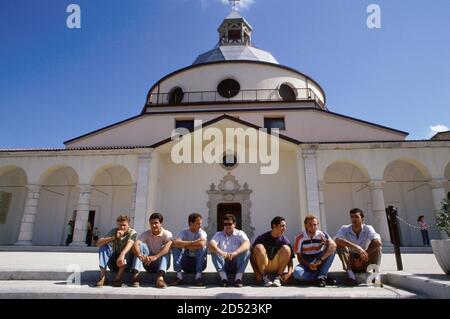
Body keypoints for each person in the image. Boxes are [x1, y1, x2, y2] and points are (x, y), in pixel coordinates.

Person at [334, 208, 382, 286]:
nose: (353, 219)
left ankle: (375, 276)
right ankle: (351, 277)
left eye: (356, 217)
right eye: (352, 217)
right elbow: (337, 240)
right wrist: (357, 248)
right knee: (339, 245)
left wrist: (361, 258)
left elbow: (377, 242)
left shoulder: (368, 228)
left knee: (378, 248)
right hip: (352, 262)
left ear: (362, 219)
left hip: (365, 260)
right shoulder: (345, 228)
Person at [131, 213, 173, 288]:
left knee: (166, 246)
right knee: (140, 245)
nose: (153, 225)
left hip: (161, 264)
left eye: (156, 223)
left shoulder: (167, 234)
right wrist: (140, 255)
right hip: (148, 263)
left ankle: (160, 279)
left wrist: (156, 257)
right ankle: (135, 275)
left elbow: (169, 246)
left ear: (161, 223)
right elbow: (135, 244)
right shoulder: (146, 233)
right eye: (151, 223)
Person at [293, 215, 336, 287]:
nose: (313, 227)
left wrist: (320, 260)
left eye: (315, 225)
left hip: (319, 258)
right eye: (310, 224)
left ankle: (321, 276)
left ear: (317, 225)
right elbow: (300, 259)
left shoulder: (321, 234)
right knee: (297, 273)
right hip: (306, 260)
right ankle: (321, 277)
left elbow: (333, 245)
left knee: (332, 250)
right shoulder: (299, 238)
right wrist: (309, 265)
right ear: (305, 225)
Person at [250, 216, 294, 287]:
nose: (284, 228)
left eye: (285, 226)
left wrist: (289, 273)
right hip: (264, 266)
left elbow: (290, 259)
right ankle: (265, 277)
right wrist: (256, 272)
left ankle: (278, 278)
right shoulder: (262, 238)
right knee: (258, 247)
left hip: (276, 266)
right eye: (282, 226)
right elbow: (251, 257)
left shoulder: (285, 241)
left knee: (286, 248)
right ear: (274, 226)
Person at [209, 214, 251, 287]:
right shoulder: (218, 234)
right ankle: (224, 279)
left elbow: (247, 244)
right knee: (213, 251)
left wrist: (235, 253)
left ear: (234, 224)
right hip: (224, 264)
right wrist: (221, 252)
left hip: (236, 263)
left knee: (247, 252)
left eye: (229, 224)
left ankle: (238, 279)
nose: (227, 226)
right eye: (225, 224)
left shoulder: (240, 233)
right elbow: (211, 244)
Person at [95, 215, 137, 287]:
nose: (122, 227)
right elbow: (98, 243)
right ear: (117, 224)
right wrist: (114, 237)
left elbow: (130, 243)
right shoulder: (114, 231)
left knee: (129, 249)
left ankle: (118, 278)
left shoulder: (132, 232)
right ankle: (102, 277)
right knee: (104, 247)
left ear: (128, 225)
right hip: (114, 263)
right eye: (120, 225)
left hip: (126, 264)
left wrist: (122, 254)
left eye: (124, 225)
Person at [171, 212, 207, 286]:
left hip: (199, 263)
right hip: (186, 263)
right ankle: (179, 276)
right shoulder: (183, 232)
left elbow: (201, 244)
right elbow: (176, 242)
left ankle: (198, 277)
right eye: (198, 223)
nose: (200, 226)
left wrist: (184, 245)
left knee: (203, 248)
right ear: (191, 223)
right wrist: (193, 242)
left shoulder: (202, 232)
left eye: (200, 223)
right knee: (175, 247)